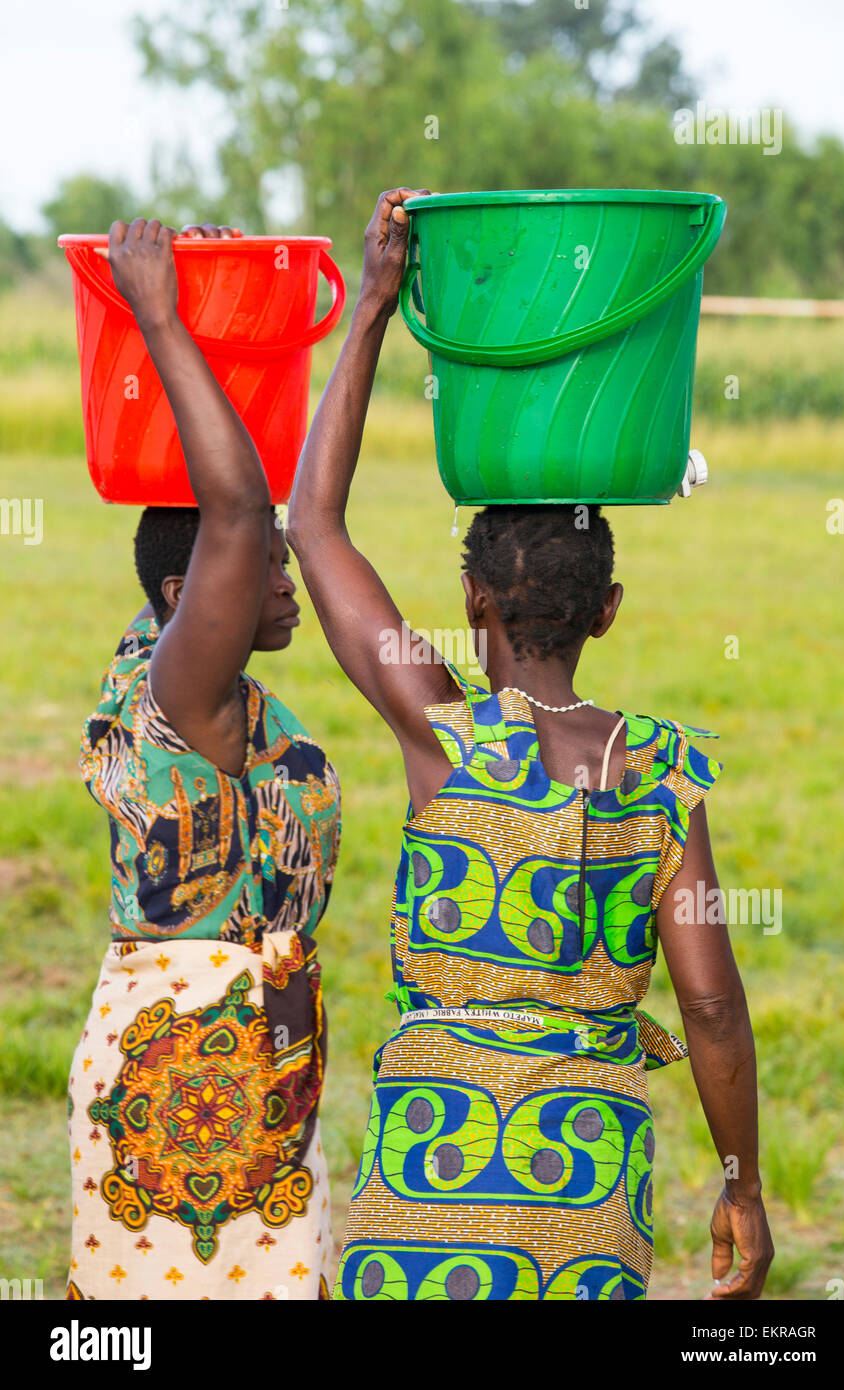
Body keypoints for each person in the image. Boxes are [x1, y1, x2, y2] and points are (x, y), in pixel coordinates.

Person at [286, 188, 774, 1301]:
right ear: (607, 611)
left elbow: (312, 524)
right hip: (584, 1204)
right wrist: (740, 1184)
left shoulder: (441, 731)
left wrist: (370, 303)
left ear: (470, 604)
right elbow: (708, 1006)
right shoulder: (660, 773)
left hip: (423, 1196)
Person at [67, 219, 340, 1301]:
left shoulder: (189, 675)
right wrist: (163, 319)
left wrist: (311, 307)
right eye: (266, 567)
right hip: (187, 1073)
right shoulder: (186, 691)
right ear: (193, 601)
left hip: (232, 1059)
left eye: (279, 562)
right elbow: (230, 505)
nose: (285, 580)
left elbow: (286, 501)